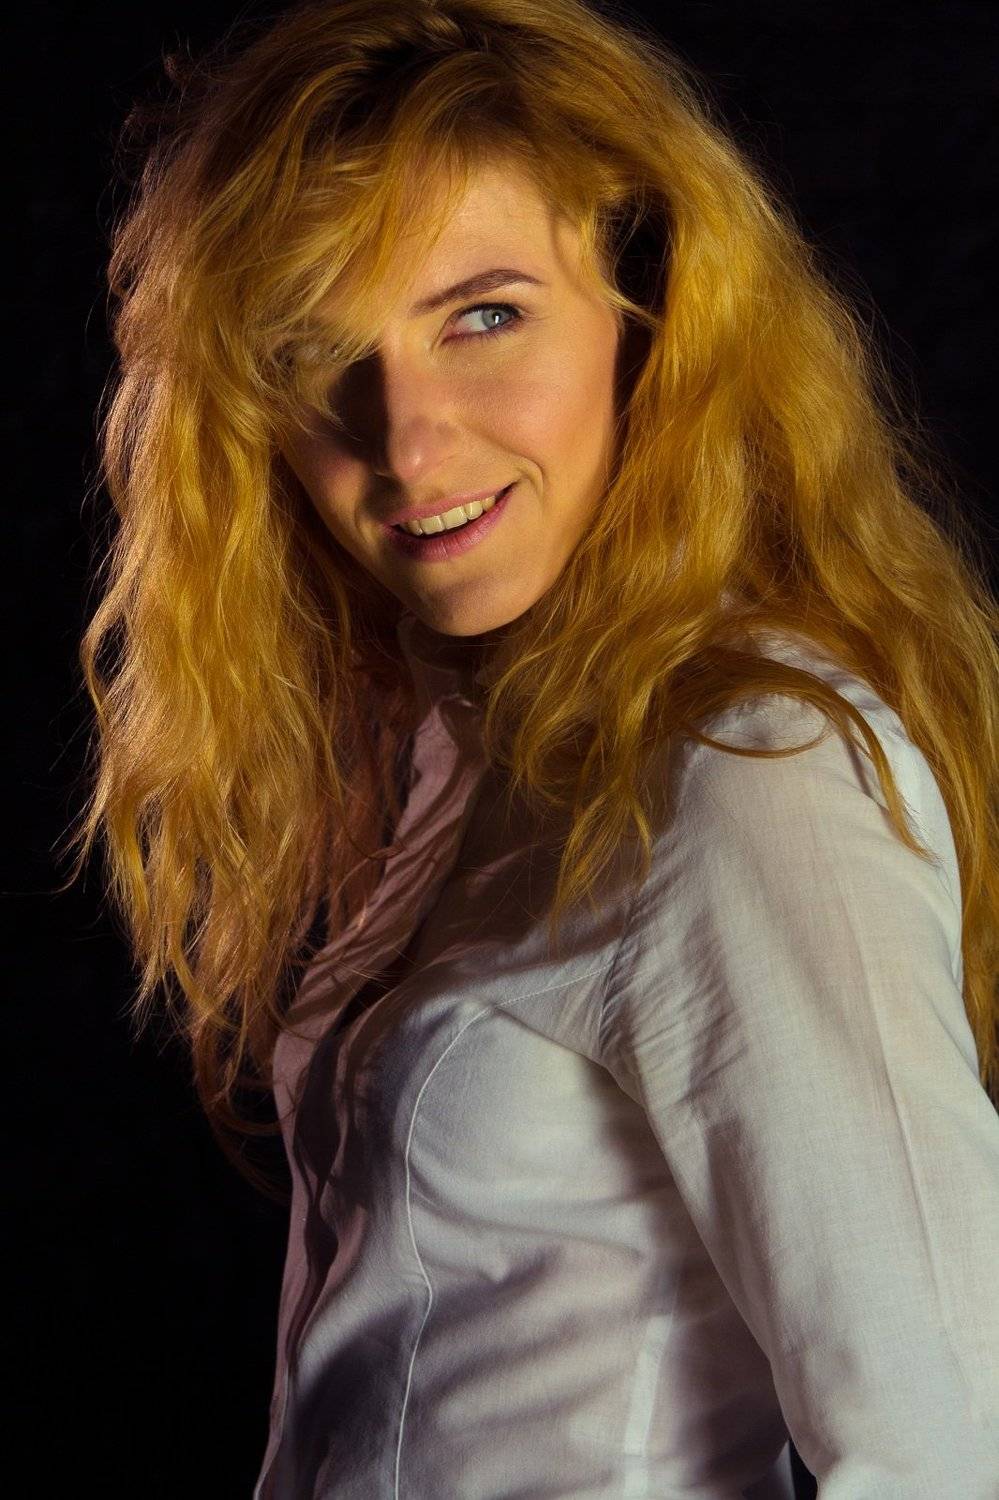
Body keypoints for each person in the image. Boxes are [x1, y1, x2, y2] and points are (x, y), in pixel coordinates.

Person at [62, 0, 999, 1494]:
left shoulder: (750, 766)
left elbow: (945, 1436)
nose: (404, 439)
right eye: (314, 350)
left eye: (483, 316)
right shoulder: (453, 748)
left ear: (648, 312)